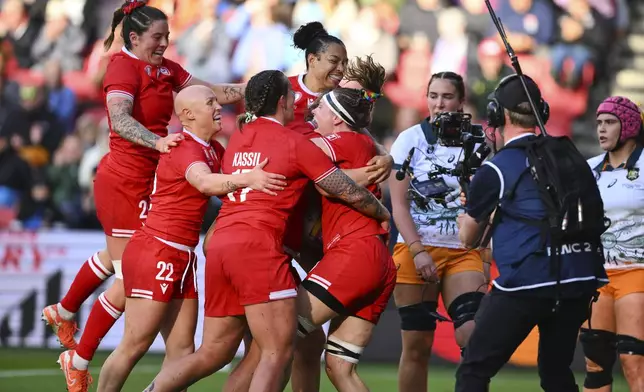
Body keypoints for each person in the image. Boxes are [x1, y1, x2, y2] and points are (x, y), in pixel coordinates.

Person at [141, 69, 390, 392]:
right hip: (259, 249)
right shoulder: (295, 142)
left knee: (215, 352)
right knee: (276, 350)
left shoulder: (239, 137)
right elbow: (339, 187)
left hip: (220, 247)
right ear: (284, 102)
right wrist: (381, 208)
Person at [43, 2, 245, 390]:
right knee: (130, 276)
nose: (165, 43)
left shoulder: (166, 69)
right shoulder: (121, 65)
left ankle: (65, 310)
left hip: (149, 182)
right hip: (124, 182)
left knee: (127, 265)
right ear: (133, 37)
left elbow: (210, 91)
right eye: (157, 37)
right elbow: (118, 118)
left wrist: (262, 90)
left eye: (167, 36)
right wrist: (159, 141)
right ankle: (79, 355)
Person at [94, 85, 284, 392]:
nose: (218, 107)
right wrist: (248, 178)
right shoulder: (184, 146)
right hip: (157, 249)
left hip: (182, 255)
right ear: (188, 115)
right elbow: (205, 183)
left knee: (182, 352)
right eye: (210, 102)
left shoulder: (214, 149)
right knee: (135, 344)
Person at [454, 74, 608, 391]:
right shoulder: (570, 155)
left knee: (473, 370)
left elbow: (468, 239)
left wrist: (467, 208)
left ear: (499, 114)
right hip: (579, 279)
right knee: (555, 372)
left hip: (527, 283)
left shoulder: (496, 167)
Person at [294, 63, 396, 392]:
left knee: (278, 335)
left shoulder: (337, 140)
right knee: (340, 367)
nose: (314, 108)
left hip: (355, 254)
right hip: (378, 260)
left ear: (338, 116)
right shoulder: (365, 144)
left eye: (323, 105)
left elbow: (321, 180)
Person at [388, 71, 487, 392]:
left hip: (462, 250)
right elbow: (399, 205)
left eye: (447, 97)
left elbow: (490, 205)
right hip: (416, 248)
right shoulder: (410, 139)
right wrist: (417, 251)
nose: (439, 103)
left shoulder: (479, 143)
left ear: (460, 102)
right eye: (433, 95)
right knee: (416, 347)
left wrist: (485, 251)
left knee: (472, 335)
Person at [581, 96, 644, 392]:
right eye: (598, 123)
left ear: (629, 125)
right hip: (598, 276)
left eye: (610, 122)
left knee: (633, 363)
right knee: (595, 366)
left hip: (637, 272)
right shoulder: (589, 168)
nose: (601, 130)